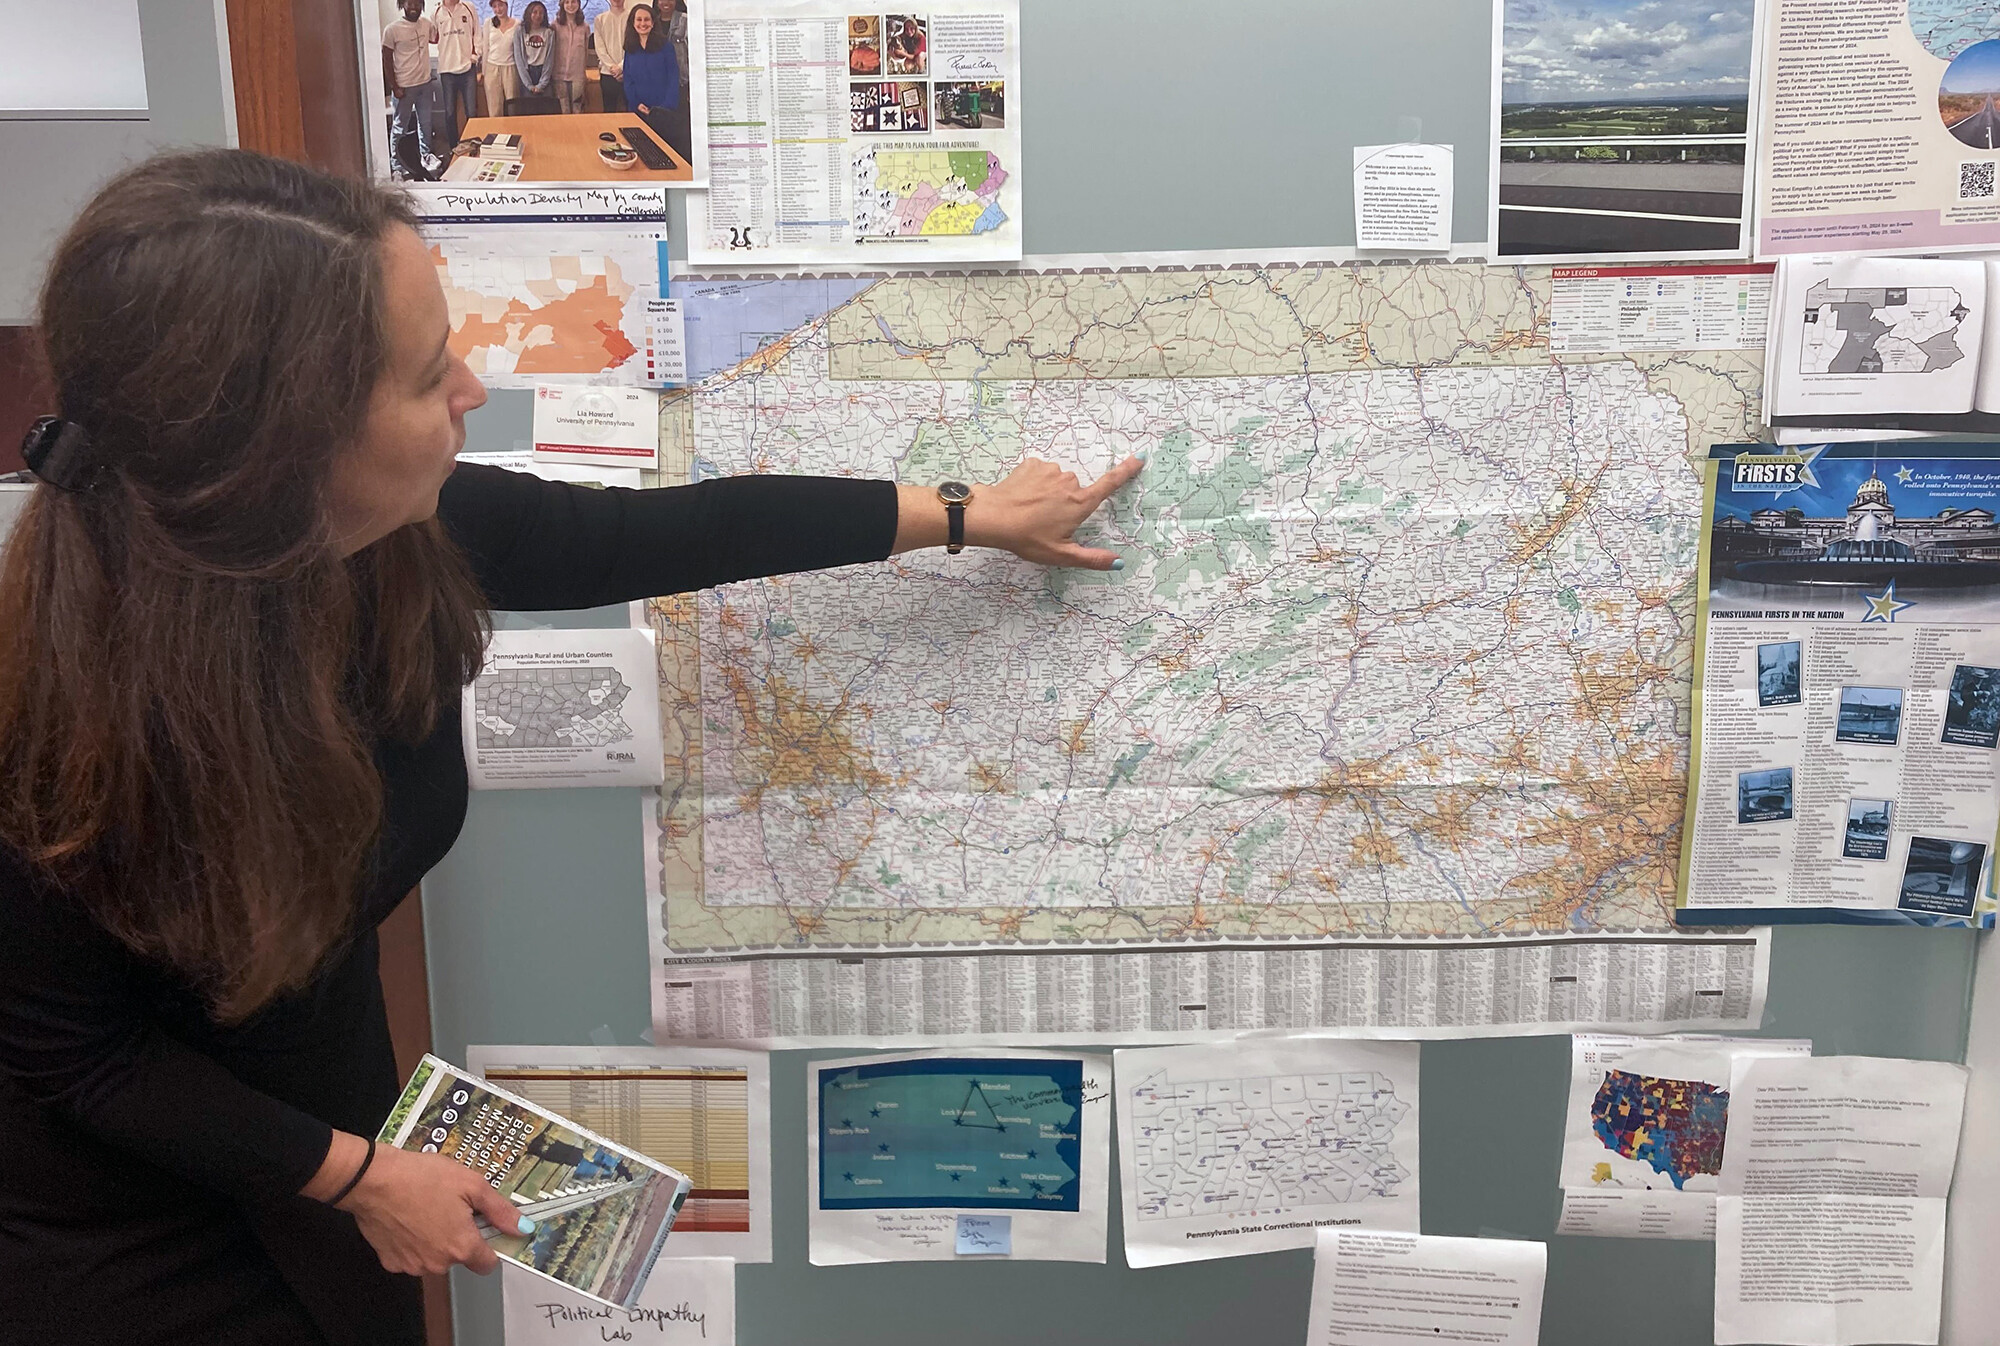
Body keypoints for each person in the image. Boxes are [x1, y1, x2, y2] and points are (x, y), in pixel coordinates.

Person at [0, 148, 1139, 1346]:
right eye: (424, 370)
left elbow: (658, 535)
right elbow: (83, 1062)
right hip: (126, 1228)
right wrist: (353, 1176)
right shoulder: (53, 727)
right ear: (289, 449)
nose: (471, 386)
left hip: (318, 1115)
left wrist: (962, 516)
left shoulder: (400, 534)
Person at [624, 3, 689, 164]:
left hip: (663, 113)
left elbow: (673, 77)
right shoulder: (630, 48)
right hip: (639, 111)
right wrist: (636, 103)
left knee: (665, 156)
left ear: (653, 23)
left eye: (647, 19)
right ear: (633, 23)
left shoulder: (665, 46)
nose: (643, 23)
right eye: (638, 19)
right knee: (642, 156)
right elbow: (628, 80)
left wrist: (664, 107)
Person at [381, 0, 439, 177]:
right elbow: (386, 59)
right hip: (404, 88)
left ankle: (426, 155)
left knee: (426, 123)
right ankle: (397, 165)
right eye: (409, 4)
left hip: (425, 84)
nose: (413, 7)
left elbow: (435, 39)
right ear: (402, 5)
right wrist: (395, 86)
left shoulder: (426, 24)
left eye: (417, 4)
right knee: (399, 127)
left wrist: (438, 12)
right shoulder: (392, 29)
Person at [433, 0, 483, 140]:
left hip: (467, 69)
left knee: (472, 112)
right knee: (449, 112)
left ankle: (474, 144)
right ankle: (454, 147)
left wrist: (475, 57)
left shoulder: (468, 7)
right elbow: (432, 36)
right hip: (447, 71)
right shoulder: (436, 12)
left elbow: (477, 33)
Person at [550, 0, 590, 113]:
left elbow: (585, 51)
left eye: (573, 2)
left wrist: (584, 73)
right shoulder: (554, 25)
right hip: (558, 74)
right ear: (562, 5)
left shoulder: (585, 27)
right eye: (567, 2)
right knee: (563, 109)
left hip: (577, 75)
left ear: (579, 4)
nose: (570, 5)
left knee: (578, 108)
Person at [512, 0, 554, 106]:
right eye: (534, 12)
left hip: (544, 73)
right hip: (527, 73)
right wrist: (528, 85)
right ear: (528, 13)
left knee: (546, 110)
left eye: (541, 13)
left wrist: (542, 83)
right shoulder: (520, 31)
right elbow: (519, 59)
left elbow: (550, 58)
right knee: (528, 109)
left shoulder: (549, 32)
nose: (538, 15)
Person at [481, 0, 519, 115]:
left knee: (513, 105)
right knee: (494, 107)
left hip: (510, 68)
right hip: (492, 67)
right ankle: (496, 132)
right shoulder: (489, 23)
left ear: (506, 6)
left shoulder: (517, 24)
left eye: (500, 5)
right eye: (495, 6)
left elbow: (518, 50)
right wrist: (483, 72)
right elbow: (485, 47)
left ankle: (513, 131)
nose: (498, 9)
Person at [592, 0, 630, 111]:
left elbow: (633, 45)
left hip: (628, 72)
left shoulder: (632, 17)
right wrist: (612, 67)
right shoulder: (600, 19)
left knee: (629, 111)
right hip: (607, 73)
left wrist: (621, 67)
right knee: (609, 110)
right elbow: (599, 48)